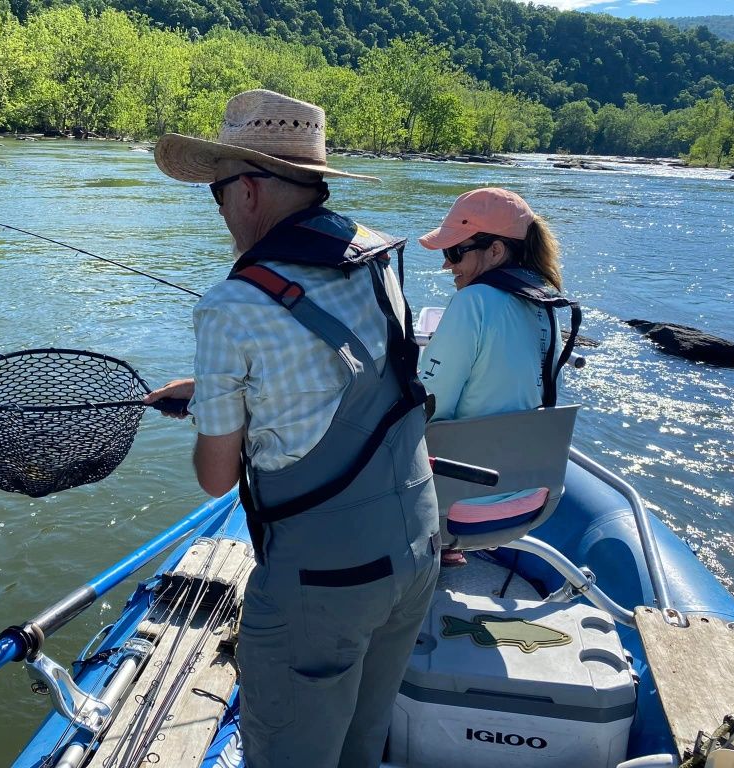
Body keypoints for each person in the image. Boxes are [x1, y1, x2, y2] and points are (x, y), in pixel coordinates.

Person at [145, 90, 440, 768]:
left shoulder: (232, 305)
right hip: (416, 546)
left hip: (325, 584)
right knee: (362, 744)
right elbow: (354, 373)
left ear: (247, 190)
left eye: (215, 195)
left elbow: (216, 480)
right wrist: (216, 394)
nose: (218, 211)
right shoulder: (375, 258)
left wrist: (217, 416)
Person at [416, 187, 579, 566]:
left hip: (458, 503)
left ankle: (433, 550)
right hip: (531, 498)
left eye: (455, 251)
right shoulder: (547, 306)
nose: (447, 264)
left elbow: (428, 407)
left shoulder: (472, 303)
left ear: (495, 251)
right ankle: (449, 549)